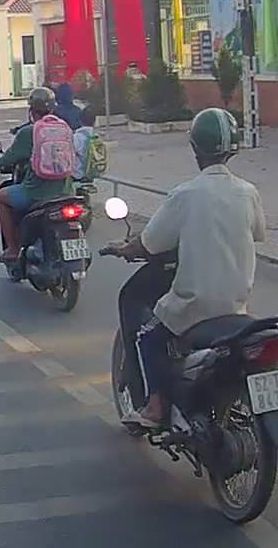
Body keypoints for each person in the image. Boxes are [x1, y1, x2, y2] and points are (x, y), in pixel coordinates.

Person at [109, 108, 265, 429]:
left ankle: (155, 407)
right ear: (233, 149)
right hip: (236, 306)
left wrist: (125, 249)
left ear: (195, 148)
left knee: (149, 336)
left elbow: (149, 243)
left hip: (194, 308)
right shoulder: (248, 193)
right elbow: (257, 232)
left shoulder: (186, 194)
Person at [0, 87, 73, 263]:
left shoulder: (29, 132)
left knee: (1, 197)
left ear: (31, 110)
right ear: (52, 109)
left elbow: (11, 156)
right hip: (66, 191)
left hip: (35, 192)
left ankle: (13, 248)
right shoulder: (64, 128)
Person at [72, 107, 98, 181]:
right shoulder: (95, 136)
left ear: (80, 120)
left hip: (77, 175)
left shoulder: (77, 137)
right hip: (91, 174)